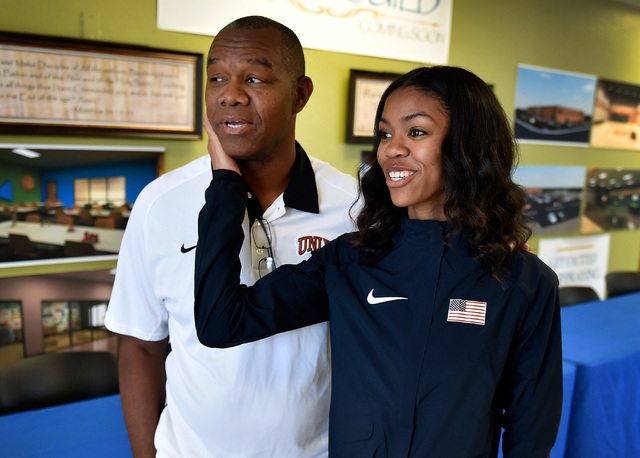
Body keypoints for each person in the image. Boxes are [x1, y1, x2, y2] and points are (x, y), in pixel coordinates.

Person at [195, 66, 563, 457]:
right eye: (385, 133)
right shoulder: (351, 260)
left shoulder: (524, 280)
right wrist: (226, 185)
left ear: (467, 145)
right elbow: (221, 322)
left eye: (416, 132)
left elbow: (530, 429)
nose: (391, 149)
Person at [105, 16, 358, 457]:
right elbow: (141, 346)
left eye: (255, 78)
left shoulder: (354, 206)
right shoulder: (160, 203)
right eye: (217, 77)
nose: (230, 94)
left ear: (300, 94)